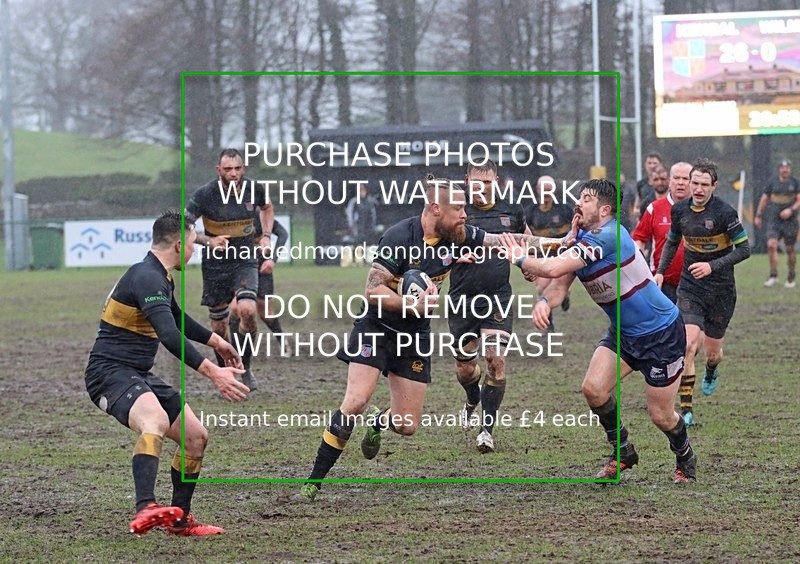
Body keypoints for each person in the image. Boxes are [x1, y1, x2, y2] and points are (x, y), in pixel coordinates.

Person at [294, 174, 571, 501]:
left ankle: (379, 421)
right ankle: (313, 483)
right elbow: (371, 289)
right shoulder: (399, 237)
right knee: (355, 401)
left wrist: (561, 244)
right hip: (378, 326)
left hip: (414, 333)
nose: (466, 215)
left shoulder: (459, 235)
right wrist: (410, 303)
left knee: (407, 425)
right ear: (436, 208)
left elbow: (506, 240)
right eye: (459, 209)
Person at [501, 178, 697, 484]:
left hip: (661, 333)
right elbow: (558, 285)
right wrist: (544, 302)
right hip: (623, 333)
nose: (579, 203)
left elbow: (551, 268)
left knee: (661, 416)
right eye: (579, 197)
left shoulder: (608, 236)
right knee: (593, 389)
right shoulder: (582, 242)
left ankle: (684, 455)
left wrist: (520, 257)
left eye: (587, 199)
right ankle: (623, 452)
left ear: (604, 209)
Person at [84, 211, 249, 536]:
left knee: (195, 438)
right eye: (191, 243)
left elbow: (176, 318)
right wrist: (213, 372)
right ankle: (145, 506)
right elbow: (170, 335)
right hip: (109, 374)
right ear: (177, 243)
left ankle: (179, 520)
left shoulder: (159, 275)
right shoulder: (147, 277)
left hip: (136, 374)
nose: (192, 250)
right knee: (155, 421)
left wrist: (218, 341)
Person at [656, 159, 750, 416]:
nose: (697, 189)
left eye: (703, 185)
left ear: (714, 186)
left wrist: (712, 266)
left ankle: (711, 370)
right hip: (690, 287)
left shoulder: (725, 213)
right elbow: (672, 242)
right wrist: (660, 272)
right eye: (694, 182)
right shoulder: (680, 211)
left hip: (721, 291)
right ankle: (686, 411)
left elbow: (745, 249)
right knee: (687, 344)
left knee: (712, 352)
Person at [449, 160, 529, 453]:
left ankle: (486, 430)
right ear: (466, 180)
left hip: (497, 296)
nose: (482, 188)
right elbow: (433, 244)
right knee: (466, 369)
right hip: (462, 299)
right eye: (476, 182)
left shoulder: (512, 210)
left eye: (488, 182)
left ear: (497, 181)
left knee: (495, 360)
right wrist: (452, 258)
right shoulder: (456, 209)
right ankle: (472, 396)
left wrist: (528, 265)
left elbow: (525, 240)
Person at [186, 148, 274, 391]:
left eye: (237, 168)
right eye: (228, 169)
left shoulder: (254, 189)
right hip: (215, 264)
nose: (233, 173)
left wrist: (266, 236)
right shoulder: (204, 195)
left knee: (247, 310)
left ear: (243, 169)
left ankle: (245, 367)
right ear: (219, 170)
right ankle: (226, 372)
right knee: (218, 327)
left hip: (245, 259)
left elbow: (267, 208)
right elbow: (184, 225)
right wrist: (208, 241)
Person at [632, 162, 699, 426]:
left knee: (688, 345)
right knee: (661, 344)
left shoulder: (703, 211)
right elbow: (638, 239)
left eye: (687, 178)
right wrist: (639, 261)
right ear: (668, 181)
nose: (682, 183)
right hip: (661, 288)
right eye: (677, 178)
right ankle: (662, 391)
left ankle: (687, 406)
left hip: (694, 286)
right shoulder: (654, 209)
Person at [230, 218, 293, 359]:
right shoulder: (232, 216)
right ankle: (235, 350)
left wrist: (272, 259)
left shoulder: (259, 217)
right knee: (235, 308)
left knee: (265, 313)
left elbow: (283, 233)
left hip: (262, 269)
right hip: (242, 268)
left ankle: (282, 341)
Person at [525, 174, 575, 329]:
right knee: (541, 288)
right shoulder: (530, 212)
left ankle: (564, 293)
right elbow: (525, 236)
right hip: (543, 255)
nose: (546, 193)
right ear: (537, 190)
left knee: (558, 285)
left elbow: (576, 230)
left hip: (562, 255)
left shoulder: (565, 209)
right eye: (543, 190)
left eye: (549, 190)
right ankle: (549, 322)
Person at [754, 159, 800, 288]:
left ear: (790, 169)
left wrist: (790, 210)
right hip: (774, 220)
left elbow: (799, 200)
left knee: (790, 249)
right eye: (782, 167)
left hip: (790, 221)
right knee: (771, 245)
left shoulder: (795, 183)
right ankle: (773, 275)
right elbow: (764, 199)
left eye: (787, 167)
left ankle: (791, 277)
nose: (785, 170)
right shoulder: (772, 183)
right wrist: (758, 215)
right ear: (779, 169)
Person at [633, 152, 664, 224]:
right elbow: (637, 206)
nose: (652, 166)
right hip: (646, 220)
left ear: (661, 164)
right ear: (645, 165)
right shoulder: (641, 184)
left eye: (654, 163)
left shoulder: (665, 183)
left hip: (661, 219)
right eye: (649, 163)